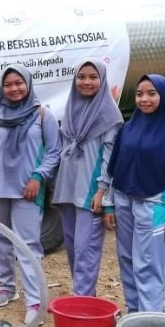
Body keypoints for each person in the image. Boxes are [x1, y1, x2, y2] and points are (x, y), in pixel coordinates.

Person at [103, 75, 165, 313]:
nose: (144, 99)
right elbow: (115, 168)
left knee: (148, 264)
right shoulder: (129, 127)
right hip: (123, 201)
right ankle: (134, 314)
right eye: (139, 94)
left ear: (163, 96)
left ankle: (148, 319)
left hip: (152, 204)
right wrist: (109, 204)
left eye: (152, 94)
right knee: (127, 259)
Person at [0, 65, 62, 326]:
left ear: (28, 84)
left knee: (27, 245)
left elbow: (54, 151)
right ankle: (7, 288)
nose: (14, 88)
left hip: (27, 190)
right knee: (0, 241)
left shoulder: (42, 114)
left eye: (19, 83)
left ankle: (35, 301)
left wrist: (38, 177)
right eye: (8, 84)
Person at [52, 61, 123, 296]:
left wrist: (102, 190)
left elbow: (110, 157)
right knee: (73, 247)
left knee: (86, 249)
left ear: (102, 80)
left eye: (93, 77)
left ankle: (81, 301)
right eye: (81, 77)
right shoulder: (71, 110)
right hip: (68, 188)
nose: (86, 82)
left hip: (90, 192)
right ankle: (84, 296)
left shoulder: (109, 115)